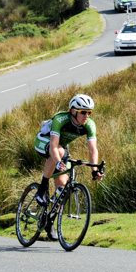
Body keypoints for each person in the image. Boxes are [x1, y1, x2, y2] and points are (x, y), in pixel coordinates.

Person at [33, 93, 104, 240]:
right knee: (58, 151)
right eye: (83, 112)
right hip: (44, 141)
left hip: (61, 147)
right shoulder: (61, 118)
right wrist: (58, 162)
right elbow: (53, 146)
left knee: (63, 187)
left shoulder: (89, 125)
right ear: (73, 111)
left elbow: (93, 150)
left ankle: (49, 221)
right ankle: (41, 188)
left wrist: (94, 170)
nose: (87, 115)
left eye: (89, 112)